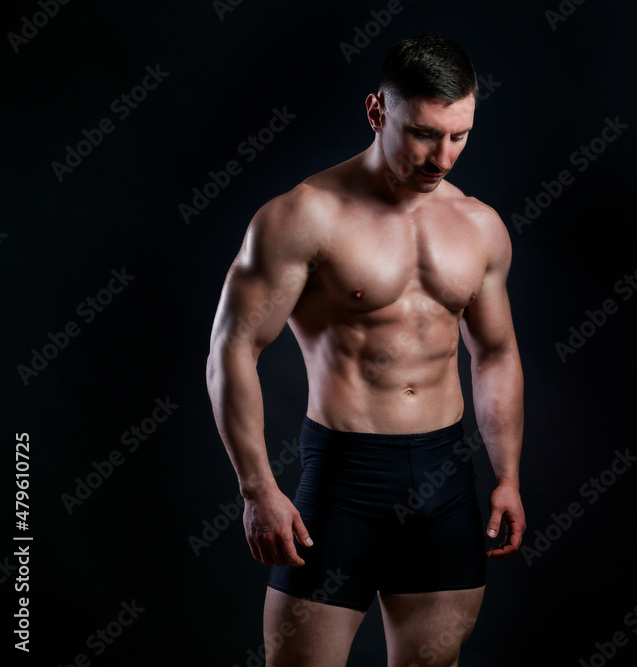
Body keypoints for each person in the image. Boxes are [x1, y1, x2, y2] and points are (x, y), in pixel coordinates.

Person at [205, 34, 525, 667]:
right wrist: (257, 488)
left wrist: (508, 474)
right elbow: (232, 350)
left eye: (459, 135)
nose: (443, 157)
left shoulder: (480, 226)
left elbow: (495, 353)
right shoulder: (302, 217)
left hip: (445, 480)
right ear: (378, 112)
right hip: (344, 479)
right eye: (425, 134)